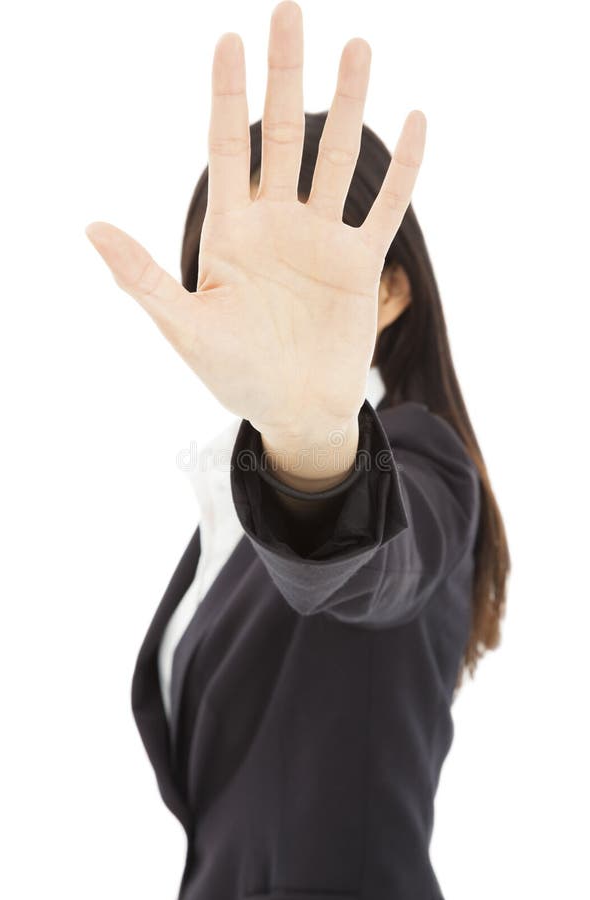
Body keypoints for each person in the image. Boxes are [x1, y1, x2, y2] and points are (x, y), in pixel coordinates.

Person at [85, 2, 510, 897]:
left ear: (392, 291)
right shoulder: (227, 504)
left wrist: (313, 441)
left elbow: (377, 565)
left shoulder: (424, 464)